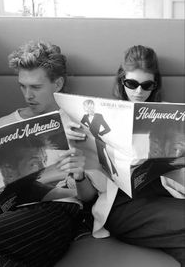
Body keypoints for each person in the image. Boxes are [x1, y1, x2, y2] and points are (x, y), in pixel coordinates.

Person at [0, 41, 92, 267]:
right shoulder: (4, 124)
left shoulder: (76, 126)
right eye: (22, 86)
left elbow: (88, 197)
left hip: (52, 211)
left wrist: (80, 175)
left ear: (58, 83)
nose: (28, 95)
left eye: (35, 87)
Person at [76, 45, 185, 266]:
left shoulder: (170, 114)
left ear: (155, 85)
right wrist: (78, 172)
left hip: (166, 196)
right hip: (123, 205)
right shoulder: (101, 117)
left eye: (147, 85)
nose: (138, 92)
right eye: (131, 84)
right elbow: (87, 196)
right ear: (121, 81)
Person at [81, 99, 118, 177]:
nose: (89, 110)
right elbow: (80, 125)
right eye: (87, 108)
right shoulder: (85, 117)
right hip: (90, 141)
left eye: (91, 107)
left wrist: (100, 134)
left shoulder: (99, 116)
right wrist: (87, 129)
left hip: (98, 140)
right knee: (95, 159)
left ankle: (110, 175)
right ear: (85, 109)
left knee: (103, 159)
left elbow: (107, 128)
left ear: (94, 107)